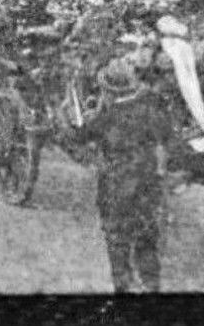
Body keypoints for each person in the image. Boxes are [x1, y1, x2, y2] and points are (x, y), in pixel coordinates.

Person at [73, 57, 173, 293]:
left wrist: (88, 115)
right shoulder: (149, 109)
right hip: (147, 183)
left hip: (115, 186)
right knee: (147, 235)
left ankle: (123, 285)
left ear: (107, 90)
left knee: (117, 237)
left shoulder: (106, 117)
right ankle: (151, 283)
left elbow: (80, 136)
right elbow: (166, 133)